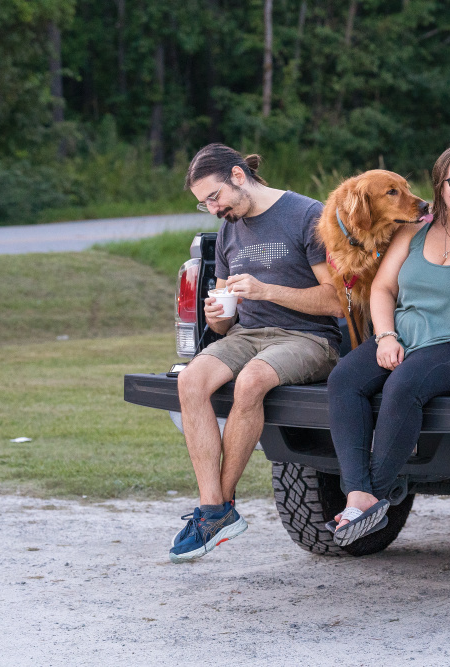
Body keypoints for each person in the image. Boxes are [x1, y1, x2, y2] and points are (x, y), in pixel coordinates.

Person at [325, 143, 450, 546]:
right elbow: (383, 288)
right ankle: (357, 493)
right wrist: (384, 336)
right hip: (410, 338)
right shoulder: (413, 232)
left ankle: (372, 498)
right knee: (344, 379)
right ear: (440, 188)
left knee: (406, 383)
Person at [172, 143, 343, 563]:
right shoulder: (230, 228)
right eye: (203, 204)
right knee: (190, 379)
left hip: (309, 338)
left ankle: (217, 510)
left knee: (251, 380)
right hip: (249, 333)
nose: (213, 209)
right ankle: (215, 509)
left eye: (214, 197)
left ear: (237, 175)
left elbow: (337, 302)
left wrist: (267, 290)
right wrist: (215, 316)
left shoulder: (307, 215)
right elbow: (225, 324)